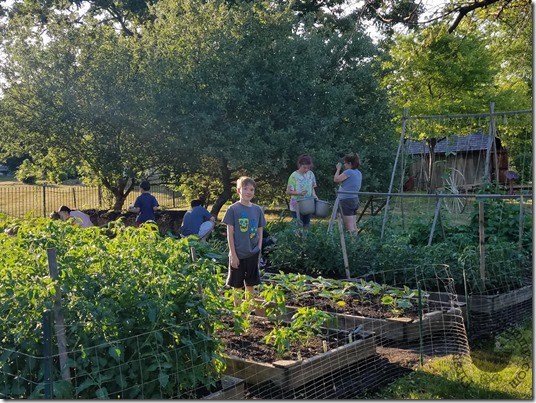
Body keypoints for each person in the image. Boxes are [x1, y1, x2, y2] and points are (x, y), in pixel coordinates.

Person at [223, 176, 266, 309]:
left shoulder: (257, 210)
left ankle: (249, 310)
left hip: (252, 252)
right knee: (237, 285)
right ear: (238, 190)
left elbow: (260, 230)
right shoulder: (233, 209)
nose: (249, 192)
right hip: (238, 253)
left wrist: (258, 249)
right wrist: (233, 255)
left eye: (251, 189)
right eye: (245, 189)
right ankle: (238, 311)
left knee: (250, 284)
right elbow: (230, 234)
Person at [286, 154, 318, 229]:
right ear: (300, 165)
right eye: (305, 167)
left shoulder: (311, 174)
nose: (306, 170)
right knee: (298, 226)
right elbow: (289, 191)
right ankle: (298, 240)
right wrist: (299, 193)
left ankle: (305, 239)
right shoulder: (294, 176)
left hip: (308, 205)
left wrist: (314, 195)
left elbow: (312, 187)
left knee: (307, 225)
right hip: (296, 205)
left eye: (308, 168)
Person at [333, 152, 362, 234]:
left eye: (345, 163)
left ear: (349, 163)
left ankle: (352, 244)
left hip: (346, 200)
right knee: (354, 224)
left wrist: (338, 169)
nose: (344, 165)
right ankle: (356, 242)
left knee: (349, 226)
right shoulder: (358, 173)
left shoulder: (349, 172)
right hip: (355, 199)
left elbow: (336, 179)